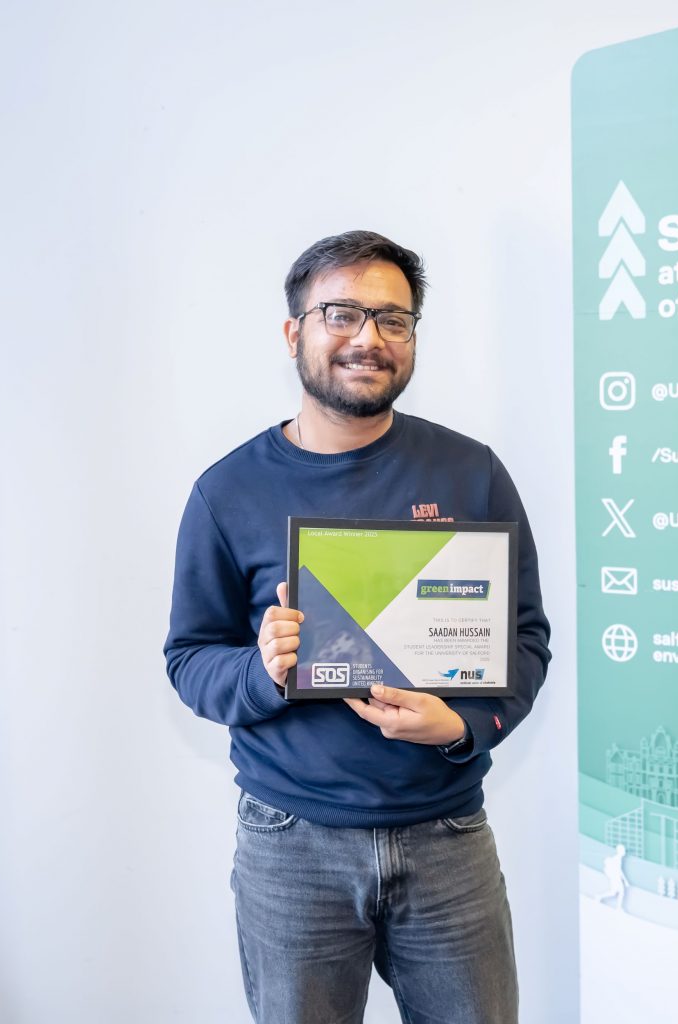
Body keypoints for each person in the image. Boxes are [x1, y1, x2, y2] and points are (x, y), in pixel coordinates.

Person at [164, 230, 551, 1024]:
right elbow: (189, 658)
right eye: (340, 313)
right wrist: (259, 671)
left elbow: (525, 640)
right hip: (290, 842)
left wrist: (463, 724)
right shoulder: (226, 491)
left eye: (393, 319)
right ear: (293, 332)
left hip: (448, 833)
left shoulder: (470, 473)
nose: (368, 338)